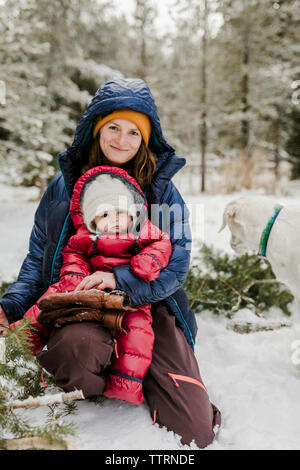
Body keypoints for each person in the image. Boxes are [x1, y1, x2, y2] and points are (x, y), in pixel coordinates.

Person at [0, 78, 221, 448]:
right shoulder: (62, 188)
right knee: (76, 354)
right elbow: (38, 257)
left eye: (134, 132)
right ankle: (101, 372)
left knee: (195, 429)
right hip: (79, 300)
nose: (122, 139)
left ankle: (146, 369)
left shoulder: (161, 190)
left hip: (150, 303)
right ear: (96, 129)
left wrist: (118, 280)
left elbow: (175, 265)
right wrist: (10, 307)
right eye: (113, 128)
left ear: (146, 139)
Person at [14, 165, 173, 406]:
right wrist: (75, 277)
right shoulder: (84, 239)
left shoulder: (144, 231)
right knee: (50, 301)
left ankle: (125, 383)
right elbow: (73, 257)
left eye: (120, 212)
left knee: (137, 332)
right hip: (91, 289)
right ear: (92, 221)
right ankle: (20, 343)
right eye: (105, 215)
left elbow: (162, 245)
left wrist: (142, 265)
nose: (115, 220)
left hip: (129, 293)